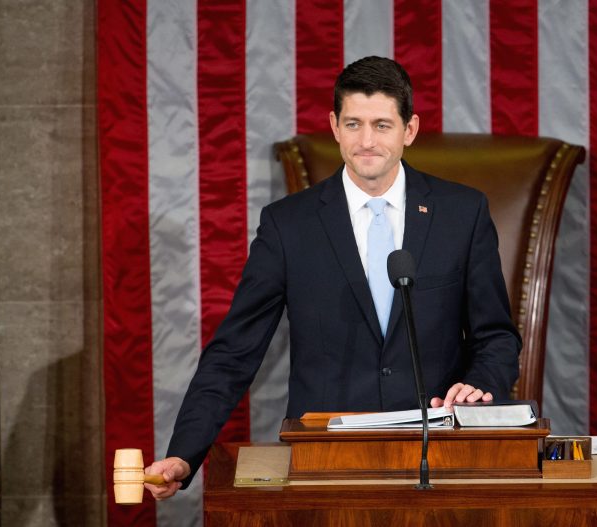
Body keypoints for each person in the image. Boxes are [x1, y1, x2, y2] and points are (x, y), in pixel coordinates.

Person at [145, 56, 521, 499]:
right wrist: (185, 454)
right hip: (325, 457)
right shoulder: (289, 225)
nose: (366, 141)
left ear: (409, 130)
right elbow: (234, 351)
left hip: (438, 453)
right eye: (354, 123)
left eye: (382, 125)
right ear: (334, 126)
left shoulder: (462, 213)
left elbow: (496, 336)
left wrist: (480, 386)